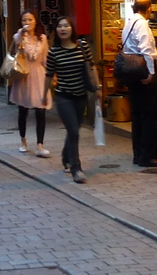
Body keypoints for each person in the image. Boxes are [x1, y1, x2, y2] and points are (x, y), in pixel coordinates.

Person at [47, 18, 100, 184]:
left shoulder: (82, 46)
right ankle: (76, 169)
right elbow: (48, 75)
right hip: (64, 97)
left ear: (72, 28)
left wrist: (97, 88)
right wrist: (43, 94)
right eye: (60, 26)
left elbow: (91, 67)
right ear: (56, 30)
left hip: (81, 96)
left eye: (66, 25)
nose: (63, 29)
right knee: (74, 131)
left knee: (74, 130)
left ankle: (66, 156)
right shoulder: (53, 52)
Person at [121, 0, 157, 168]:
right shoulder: (142, 24)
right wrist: (151, 72)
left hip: (132, 69)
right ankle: (148, 156)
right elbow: (146, 48)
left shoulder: (129, 22)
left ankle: (138, 154)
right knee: (151, 114)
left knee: (138, 114)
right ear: (148, 9)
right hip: (143, 68)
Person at [9, 11, 52, 157]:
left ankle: (40, 144)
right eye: (24, 20)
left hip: (39, 75)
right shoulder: (19, 36)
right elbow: (17, 50)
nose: (27, 22)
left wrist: (52, 75)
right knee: (23, 110)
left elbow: (45, 57)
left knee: (41, 110)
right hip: (24, 74)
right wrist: (22, 34)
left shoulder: (42, 38)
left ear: (35, 21)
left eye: (30, 19)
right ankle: (23, 140)